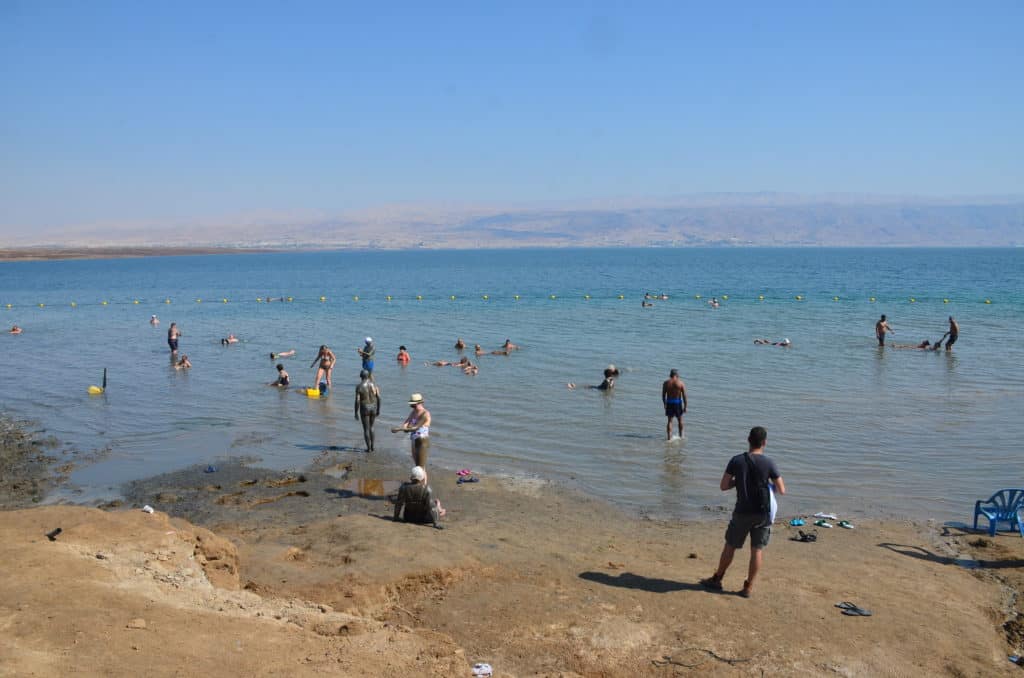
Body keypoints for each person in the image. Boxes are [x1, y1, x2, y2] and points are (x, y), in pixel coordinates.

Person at [700, 426, 785, 598]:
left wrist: (737, 482)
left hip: (742, 511)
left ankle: (717, 579)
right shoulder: (769, 463)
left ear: (748, 440)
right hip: (763, 513)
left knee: (730, 546)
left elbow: (723, 486)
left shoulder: (736, 460)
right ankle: (748, 587)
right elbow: (782, 489)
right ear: (764, 442)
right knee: (757, 550)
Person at [392, 393, 431, 472]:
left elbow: (415, 427)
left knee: (421, 467)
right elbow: (407, 422)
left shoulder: (425, 414)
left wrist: (399, 429)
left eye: (413, 405)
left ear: (420, 403)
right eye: (411, 405)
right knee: (417, 464)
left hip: (422, 441)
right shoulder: (414, 412)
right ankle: (420, 482)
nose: (411, 406)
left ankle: (423, 483)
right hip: (414, 439)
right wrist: (403, 427)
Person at [354, 369, 381, 452]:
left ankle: (368, 448)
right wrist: (378, 409)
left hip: (364, 408)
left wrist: (355, 412)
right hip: (373, 407)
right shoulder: (374, 385)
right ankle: (373, 447)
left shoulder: (359, 386)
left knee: (366, 429)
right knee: (372, 427)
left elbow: (357, 400)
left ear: (361, 376)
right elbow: (379, 398)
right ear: (368, 376)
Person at [662, 369, 687, 439]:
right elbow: (684, 396)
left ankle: (669, 438)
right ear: (677, 375)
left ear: (670, 375)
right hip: (677, 403)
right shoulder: (681, 383)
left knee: (670, 421)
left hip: (669, 402)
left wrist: (664, 404)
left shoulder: (666, 383)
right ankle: (681, 436)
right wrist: (685, 406)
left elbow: (663, 395)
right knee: (680, 420)